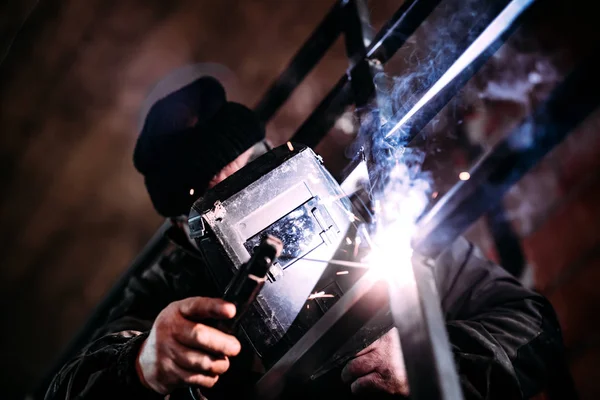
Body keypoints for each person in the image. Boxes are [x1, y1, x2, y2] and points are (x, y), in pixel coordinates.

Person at [45, 68, 568, 400]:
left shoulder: (372, 213)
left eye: (256, 172)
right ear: (185, 230)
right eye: (219, 201)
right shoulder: (169, 289)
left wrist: (430, 365)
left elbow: (529, 323)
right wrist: (142, 365)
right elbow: (69, 387)